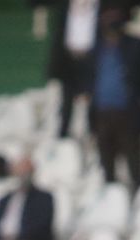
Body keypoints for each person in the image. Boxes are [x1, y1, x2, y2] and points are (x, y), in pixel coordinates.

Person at [88, 9, 140, 189]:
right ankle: (110, 194)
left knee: (133, 159)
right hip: (102, 111)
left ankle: (139, 193)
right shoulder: (97, 49)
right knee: (106, 159)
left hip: (126, 110)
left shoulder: (133, 46)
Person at [48, 0, 100, 138]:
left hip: (91, 59)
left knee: (93, 100)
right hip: (69, 59)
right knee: (66, 102)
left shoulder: (99, 7)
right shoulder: (65, 6)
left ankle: (93, 134)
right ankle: (63, 136)